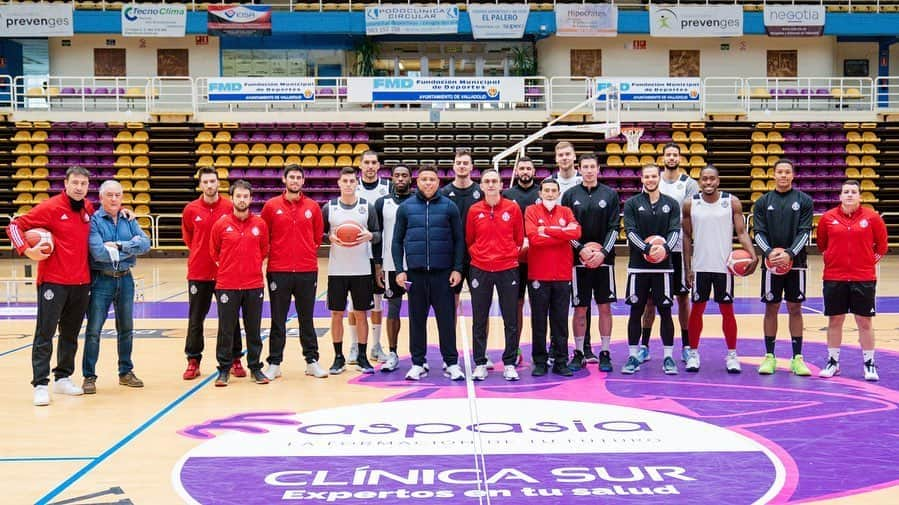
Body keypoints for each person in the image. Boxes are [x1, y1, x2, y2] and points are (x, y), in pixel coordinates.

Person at [7, 166, 94, 405]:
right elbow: (14, 226)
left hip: (81, 282)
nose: (79, 187)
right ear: (65, 183)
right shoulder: (50, 207)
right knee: (45, 333)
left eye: (83, 184)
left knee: (70, 334)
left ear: (88, 187)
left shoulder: (88, 208)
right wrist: (27, 250)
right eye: (75, 182)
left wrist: (124, 211)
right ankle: (40, 384)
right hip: (53, 282)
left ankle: (63, 377)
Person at [682, 166, 758, 373]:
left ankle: (732, 354)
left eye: (712, 179)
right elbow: (686, 237)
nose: (708, 183)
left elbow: (741, 232)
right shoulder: (690, 204)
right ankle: (693, 353)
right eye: (704, 179)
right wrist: (687, 267)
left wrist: (753, 254)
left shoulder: (731, 202)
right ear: (699, 181)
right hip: (700, 267)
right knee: (697, 309)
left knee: (727, 311)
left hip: (725, 267)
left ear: (718, 180)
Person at [393, 166, 465, 381]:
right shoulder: (405, 208)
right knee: (416, 321)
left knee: (446, 320)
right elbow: (396, 241)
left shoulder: (449, 207)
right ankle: (418, 362)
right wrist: (399, 270)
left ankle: (451, 362)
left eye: (432, 179)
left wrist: (457, 268)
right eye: (423, 179)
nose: (428, 183)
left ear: (438, 182)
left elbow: (459, 240)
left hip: (443, 274)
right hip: (415, 275)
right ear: (418, 182)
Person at [82, 180, 151, 394]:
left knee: (126, 329)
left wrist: (120, 245)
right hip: (101, 279)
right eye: (109, 195)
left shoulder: (128, 219)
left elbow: (146, 244)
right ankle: (89, 376)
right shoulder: (94, 221)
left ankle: (125, 372)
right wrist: (132, 247)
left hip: (126, 278)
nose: (114, 199)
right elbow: (99, 253)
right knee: (94, 330)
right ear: (101, 198)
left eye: (118, 195)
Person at [260, 164, 327, 380]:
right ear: (284, 180)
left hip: (307, 270)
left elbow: (317, 238)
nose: (295, 181)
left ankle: (311, 361)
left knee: (306, 318)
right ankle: (274, 363)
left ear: (303, 181)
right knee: (277, 319)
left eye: (299, 177)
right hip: (278, 271)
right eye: (292, 177)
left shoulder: (313, 207)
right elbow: (264, 236)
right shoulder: (271, 206)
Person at [816, 180, 887, 381]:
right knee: (835, 320)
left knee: (864, 321)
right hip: (834, 277)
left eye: (853, 192)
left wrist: (864, 263)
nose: (849, 195)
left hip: (863, 277)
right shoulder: (828, 218)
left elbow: (881, 247)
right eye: (846, 192)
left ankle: (869, 364)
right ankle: (832, 362)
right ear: (840, 196)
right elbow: (822, 244)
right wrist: (833, 259)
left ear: (860, 196)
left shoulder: (872, 218)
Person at [752, 158, 814, 376]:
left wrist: (789, 254)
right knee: (771, 308)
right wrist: (770, 254)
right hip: (771, 265)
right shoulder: (762, 202)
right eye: (780, 172)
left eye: (788, 172)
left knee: (795, 308)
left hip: (796, 263)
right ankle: (770, 356)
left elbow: (805, 232)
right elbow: (757, 233)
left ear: (793, 175)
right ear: (774, 174)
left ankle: (797, 358)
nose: (784, 175)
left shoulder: (804, 200)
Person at [180, 167, 243, 380]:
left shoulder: (228, 206)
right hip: (198, 272)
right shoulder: (190, 210)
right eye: (205, 182)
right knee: (196, 319)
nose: (209, 185)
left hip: (226, 273)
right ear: (200, 185)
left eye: (212, 181)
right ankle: (193, 360)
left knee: (231, 319)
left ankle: (235, 358)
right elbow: (189, 239)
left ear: (218, 183)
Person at [561, 153, 620, 373]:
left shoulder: (610, 194)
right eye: (584, 167)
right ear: (579, 169)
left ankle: (604, 351)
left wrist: (603, 252)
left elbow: (615, 227)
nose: (588, 170)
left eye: (592, 167)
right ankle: (578, 352)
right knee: (580, 308)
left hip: (604, 261)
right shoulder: (569, 195)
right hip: (578, 262)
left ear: (598, 169)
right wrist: (582, 249)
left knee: (604, 307)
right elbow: (566, 229)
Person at [640, 143, 698, 363]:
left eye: (675, 154)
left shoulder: (688, 184)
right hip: (655, 250)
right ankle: (644, 345)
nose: (672, 158)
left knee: (683, 298)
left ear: (680, 158)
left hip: (677, 249)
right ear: (663, 157)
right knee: (649, 301)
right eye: (668, 154)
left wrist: (690, 260)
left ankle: (686, 345)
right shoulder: (653, 180)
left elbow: (691, 220)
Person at [621, 164, 681, 375]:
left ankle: (668, 357)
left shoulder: (671, 204)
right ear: (642, 180)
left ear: (659, 178)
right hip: (638, 267)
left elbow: (675, 231)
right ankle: (632, 355)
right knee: (635, 311)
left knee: (665, 311)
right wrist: (647, 249)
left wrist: (664, 249)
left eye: (654, 176)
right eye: (646, 176)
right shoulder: (631, 204)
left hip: (663, 268)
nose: (650, 180)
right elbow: (630, 232)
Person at [209, 180, 270, 386]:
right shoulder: (221, 224)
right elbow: (214, 251)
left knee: (254, 329)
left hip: (253, 285)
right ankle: (224, 370)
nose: (242, 200)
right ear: (232, 198)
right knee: (226, 330)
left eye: (245, 196)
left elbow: (264, 250)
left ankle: (255, 368)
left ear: (250, 199)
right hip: (227, 285)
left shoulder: (260, 224)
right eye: (238, 196)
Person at [466, 169, 524, 381]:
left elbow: (519, 238)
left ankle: (509, 363)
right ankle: (480, 362)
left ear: (501, 185)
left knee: (510, 318)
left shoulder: (512, 208)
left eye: (494, 181)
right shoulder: (474, 210)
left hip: (507, 268)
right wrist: (482, 256)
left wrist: (505, 255)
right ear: (481, 186)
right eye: (486, 181)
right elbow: (470, 239)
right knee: (479, 318)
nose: (491, 185)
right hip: (480, 269)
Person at [322, 166, 380, 375]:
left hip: (362, 269)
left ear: (357, 184)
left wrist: (370, 237)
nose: (348, 184)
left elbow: (378, 234)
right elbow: (319, 234)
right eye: (344, 181)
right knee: (336, 313)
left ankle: (363, 357)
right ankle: (338, 357)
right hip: (337, 271)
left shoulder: (367, 207)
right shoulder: (329, 207)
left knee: (361, 313)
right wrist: (328, 237)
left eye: (351, 181)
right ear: (338, 183)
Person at [525, 178, 581, 377]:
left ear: (558, 194)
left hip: (562, 274)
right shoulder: (531, 211)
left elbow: (576, 232)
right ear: (540, 193)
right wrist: (561, 234)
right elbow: (534, 238)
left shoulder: (565, 211)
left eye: (553, 191)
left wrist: (547, 231)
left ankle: (560, 360)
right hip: (538, 275)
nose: (549, 194)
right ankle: (539, 361)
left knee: (560, 321)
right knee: (539, 321)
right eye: (546, 190)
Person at [350, 151, 392, 364]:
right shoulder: (351, 187)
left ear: (379, 166)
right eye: (366, 162)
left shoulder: (387, 187)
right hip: (355, 254)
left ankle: (376, 346)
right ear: (360, 165)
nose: (370, 166)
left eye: (373, 162)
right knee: (354, 305)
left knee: (377, 303)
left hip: (379, 253)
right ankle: (354, 346)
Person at [373, 164, 414, 373]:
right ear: (391, 178)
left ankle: (418, 355)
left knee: (418, 312)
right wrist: (378, 264)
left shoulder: (419, 201)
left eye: (404, 175)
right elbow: (378, 236)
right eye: (397, 175)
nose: (400, 179)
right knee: (393, 310)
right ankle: (393, 352)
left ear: (410, 179)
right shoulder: (382, 203)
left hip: (415, 265)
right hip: (391, 265)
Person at [503, 157, 541, 349]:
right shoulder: (508, 194)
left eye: (529, 168)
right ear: (516, 172)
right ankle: (514, 348)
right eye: (522, 168)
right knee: (515, 304)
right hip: (515, 259)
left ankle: (539, 348)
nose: (525, 171)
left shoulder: (543, 193)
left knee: (539, 306)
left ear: (534, 171)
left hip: (539, 258)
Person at [440, 149, 483, 312]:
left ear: (472, 166)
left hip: (476, 257)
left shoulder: (482, 192)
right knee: (450, 306)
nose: (462, 166)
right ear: (453, 166)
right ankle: (450, 339)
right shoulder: (443, 194)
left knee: (481, 307)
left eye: (465, 163)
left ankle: (481, 339)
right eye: (458, 163)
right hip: (451, 258)